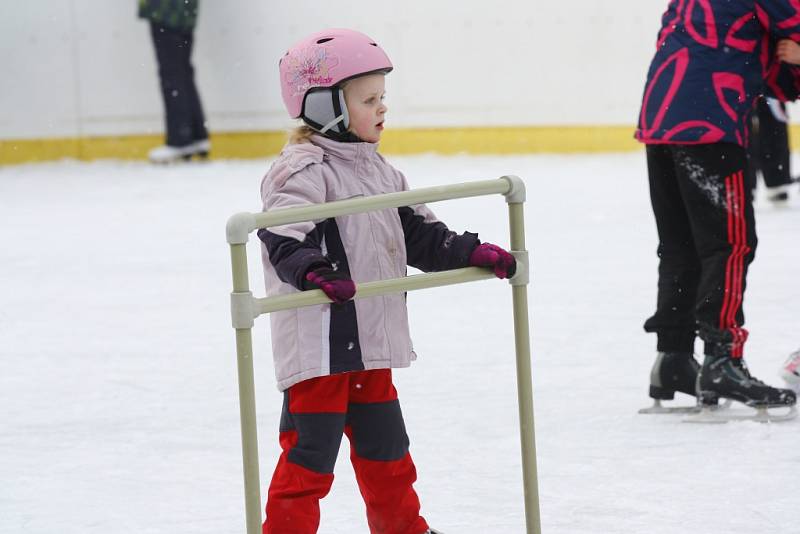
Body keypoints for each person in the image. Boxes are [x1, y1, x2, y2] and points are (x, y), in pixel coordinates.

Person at [256, 29, 515, 533]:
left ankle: (403, 529)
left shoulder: (380, 171)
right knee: (311, 455)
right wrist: (315, 272)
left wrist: (470, 252)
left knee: (387, 450)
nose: (382, 109)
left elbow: (418, 235)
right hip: (320, 349)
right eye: (368, 99)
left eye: (382, 98)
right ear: (326, 105)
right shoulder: (302, 170)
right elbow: (281, 237)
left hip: (370, 343)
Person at [636, 2, 799, 414]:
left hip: (662, 117)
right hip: (710, 120)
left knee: (682, 246)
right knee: (729, 245)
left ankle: (672, 359)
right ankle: (721, 358)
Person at [138, 0, 210, 163]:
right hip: (184, 10)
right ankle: (197, 135)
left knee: (172, 72)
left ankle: (180, 139)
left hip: (165, 9)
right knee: (182, 70)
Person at [747, 95, 794, 204]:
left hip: (770, 93)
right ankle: (746, 186)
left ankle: (777, 183)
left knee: (773, 135)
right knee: (746, 135)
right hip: (743, 91)